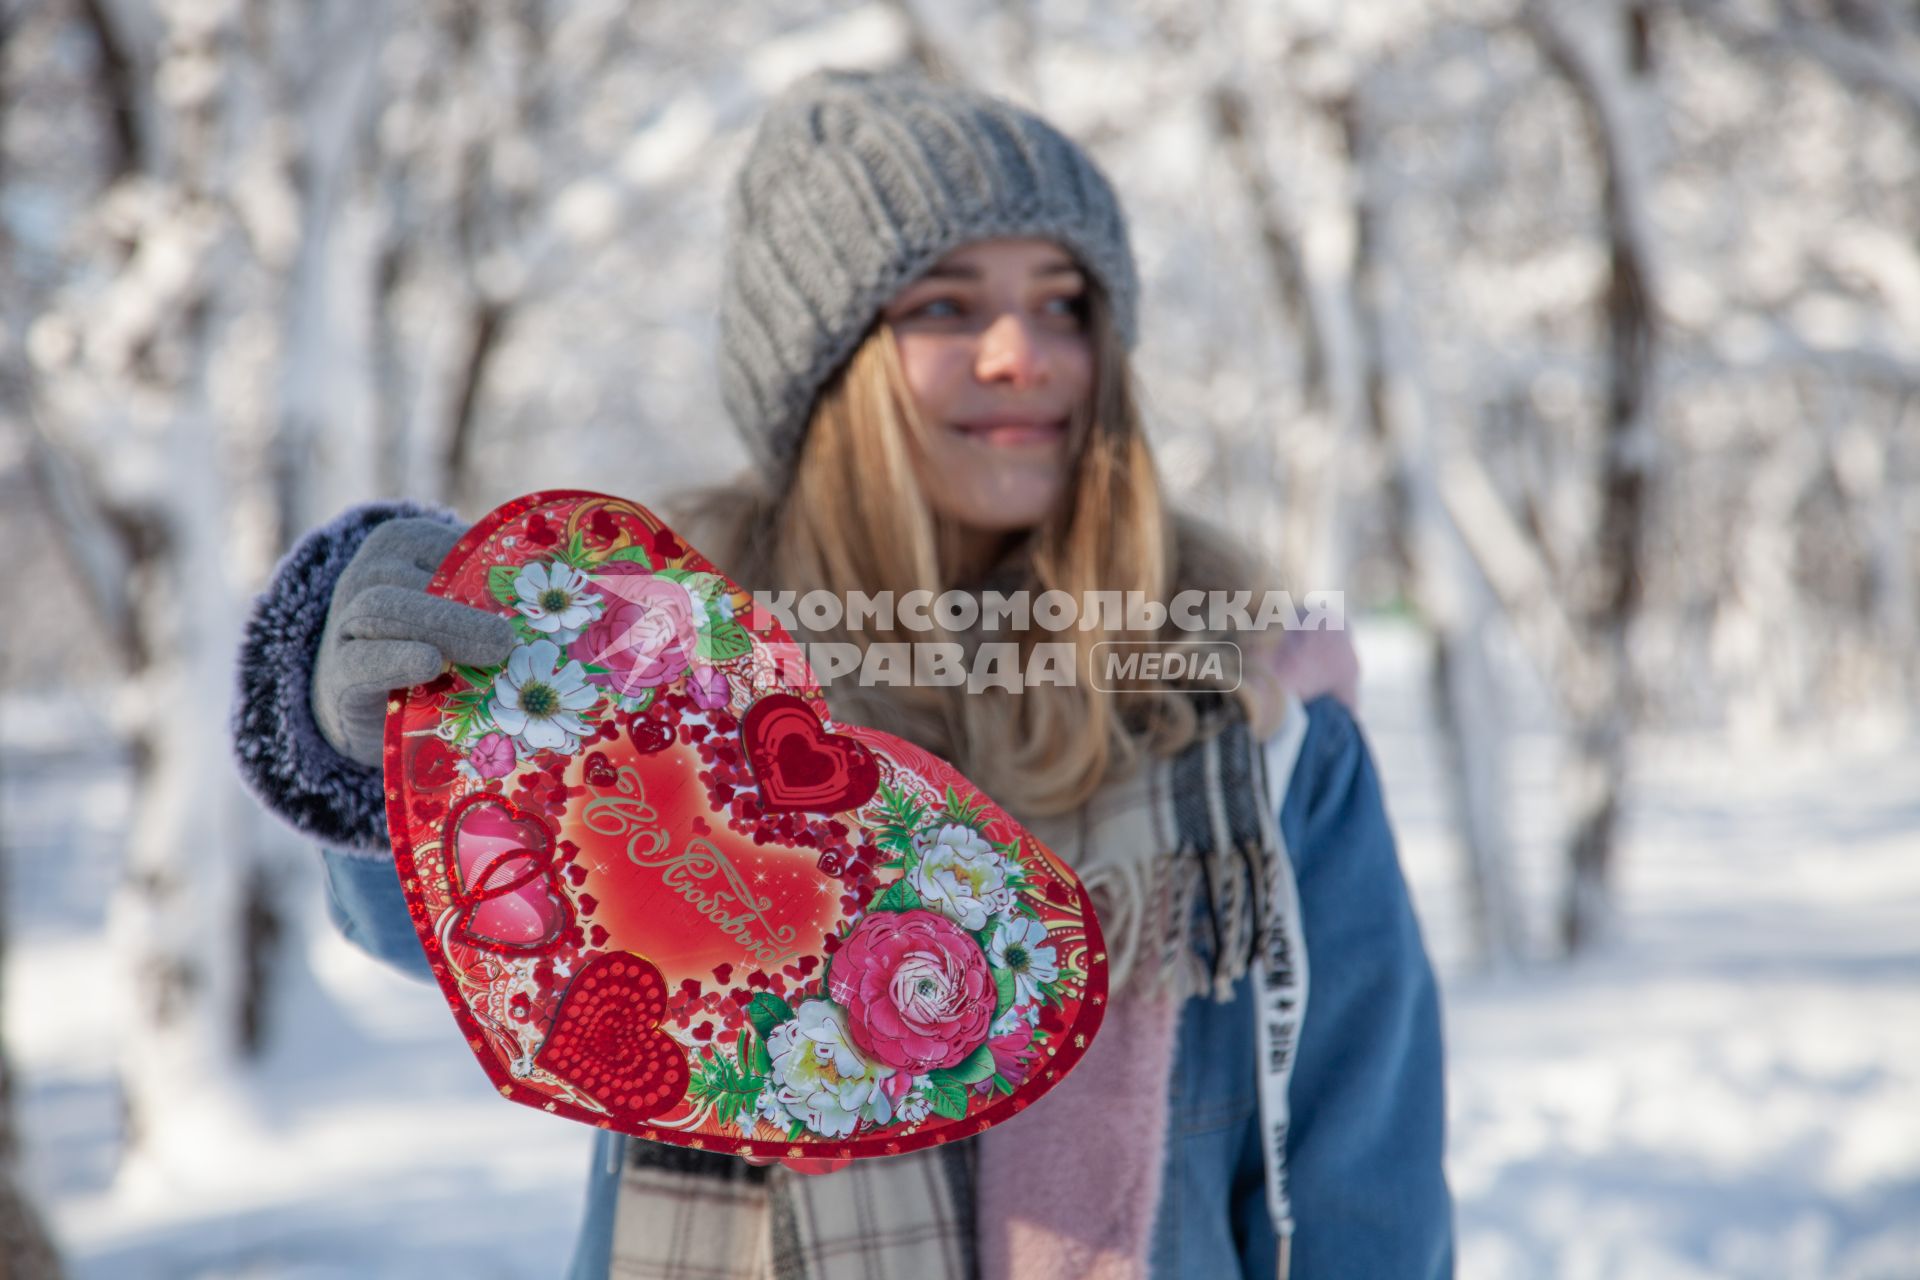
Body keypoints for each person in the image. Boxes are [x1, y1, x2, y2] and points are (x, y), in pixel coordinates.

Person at [231, 68, 1449, 1280]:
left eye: (1067, 302)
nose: (1024, 351)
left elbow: (1366, 1197)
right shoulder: (654, 677)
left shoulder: (1247, 723)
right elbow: (459, 923)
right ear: (826, 371)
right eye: (946, 306)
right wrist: (369, 727)